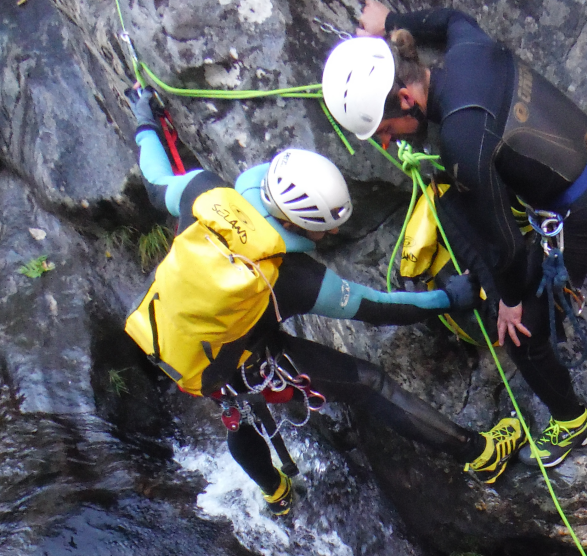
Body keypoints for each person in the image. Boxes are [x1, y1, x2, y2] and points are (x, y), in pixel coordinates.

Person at [123, 90, 524, 514]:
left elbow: (154, 177)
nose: (329, 237)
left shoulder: (202, 193)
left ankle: (275, 493)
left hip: (168, 333)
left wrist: (145, 118)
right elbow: (377, 308)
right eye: (323, 230)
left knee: (236, 412)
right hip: (234, 359)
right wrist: (449, 298)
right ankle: (481, 454)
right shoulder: (294, 279)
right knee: (369, 384)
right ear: (301, 225)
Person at [322, 0, 587, 472]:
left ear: (406, 98)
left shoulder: (463, 142)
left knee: (520, 330)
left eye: (384, 130)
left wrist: (509, 301)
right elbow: (449, 19)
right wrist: (390, 23)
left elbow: (505, 248)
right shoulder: (468, 51)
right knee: (452, 202)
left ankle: (573, 421)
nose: (387, 143)